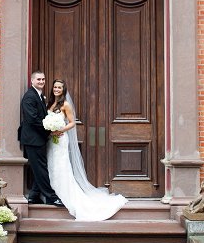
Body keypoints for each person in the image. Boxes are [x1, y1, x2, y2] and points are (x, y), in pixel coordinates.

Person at [45, 79, 128, 221]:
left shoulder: (65, 105)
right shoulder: (50, 103)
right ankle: (51, 193)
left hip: (60, 139)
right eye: (55, 87)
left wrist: (60, 130)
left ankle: (64, 194)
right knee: (50, 165)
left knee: (60, 166)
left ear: (63, 90)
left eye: (59, 87)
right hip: (51, 141)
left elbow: (72, 123)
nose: (56, 89)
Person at [19, 71, 59, 205]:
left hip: (38, 138)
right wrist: (49, 129)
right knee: (41, 168)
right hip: (33, 139)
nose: (41, 81)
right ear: (32, 81)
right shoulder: (29, 97)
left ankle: (34, 196)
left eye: (43, 79)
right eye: (38, 79)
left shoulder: (39, 96)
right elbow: (33, 120)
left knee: (39, 167)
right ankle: (51, 197)